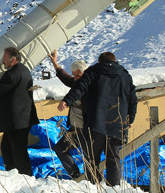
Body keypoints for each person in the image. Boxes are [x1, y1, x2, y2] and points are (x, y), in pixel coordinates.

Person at [58, 52, 137, 186]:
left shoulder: (93, 72)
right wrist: (130, 119)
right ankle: (115, 190)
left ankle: (95, 190)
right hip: (118, 123)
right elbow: (132, 99)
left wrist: (67, 101)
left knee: (91, 159)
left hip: (96, 122)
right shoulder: (125, 76)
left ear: (99, 62)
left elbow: (80, 88)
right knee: (113, 159)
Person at [0, 46, 38, 176]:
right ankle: (13, 174)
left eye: (4, 59)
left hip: (17, 121)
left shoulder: (12, 74)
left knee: (18, 151)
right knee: (7, 148)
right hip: (20, 120)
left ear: (13, 60)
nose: (2, 61)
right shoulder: (22, 70)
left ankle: (26, 176)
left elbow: (1, 90)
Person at [47, 49, 88, 179]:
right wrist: (56, 64)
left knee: (90, 155)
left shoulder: (91, 87)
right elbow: (66, 78)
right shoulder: (77, 83)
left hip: (88, 128)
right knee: (60, 149)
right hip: (75, 129)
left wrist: (65, 102)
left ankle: (93, 181)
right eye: (74, 75)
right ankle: (76, 176)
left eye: (78, 75)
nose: (75, 78)